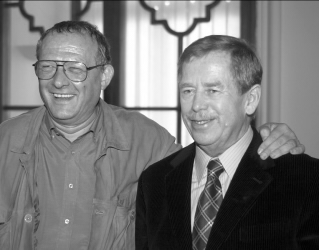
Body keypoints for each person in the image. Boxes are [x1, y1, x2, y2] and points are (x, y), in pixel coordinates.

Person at [0, 21, 304, 250]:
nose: (59, 81)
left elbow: (216, 164)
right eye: (48, 67)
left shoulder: (149, 143)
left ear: (104, 76)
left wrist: (264, 139)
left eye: (75, 69)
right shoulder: (4, 143)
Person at [135, 35, 319, 250]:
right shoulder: (154, 182)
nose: (196, 105)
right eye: (188, 91)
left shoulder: (306, 180)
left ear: (250, 100)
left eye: (212, 90)